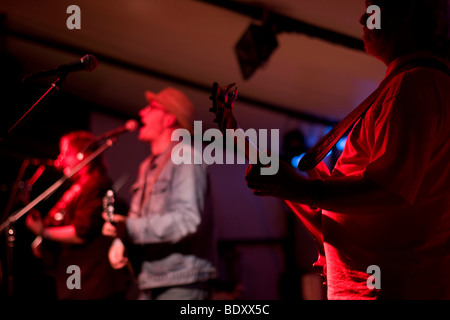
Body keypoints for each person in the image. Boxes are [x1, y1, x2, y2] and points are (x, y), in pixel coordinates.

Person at [245, 0, 450, 299]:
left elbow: (389, 191)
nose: (362, 17)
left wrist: (301, 189)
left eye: (373, 8)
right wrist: (292, 188)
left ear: (405, 13)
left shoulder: (412, 86)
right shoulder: (414, 84)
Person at [102, 87, 217, 300]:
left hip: (182, 281)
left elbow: (188, 220)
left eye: (152, 107)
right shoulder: (146, 166)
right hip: (151, 280)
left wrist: (128, 228)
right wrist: (120, 240)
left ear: (169, 119)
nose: (142, 112)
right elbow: (135, 217)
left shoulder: (187, 157)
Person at [25, 130, 130, 299]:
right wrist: (43, 239)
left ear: (83, 155)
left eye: (66, 152)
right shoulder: (76, 188)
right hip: (75, 280)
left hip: (91, 283)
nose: (60, 158)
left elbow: (81, 231)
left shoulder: (95, 186)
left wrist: (44, 233)